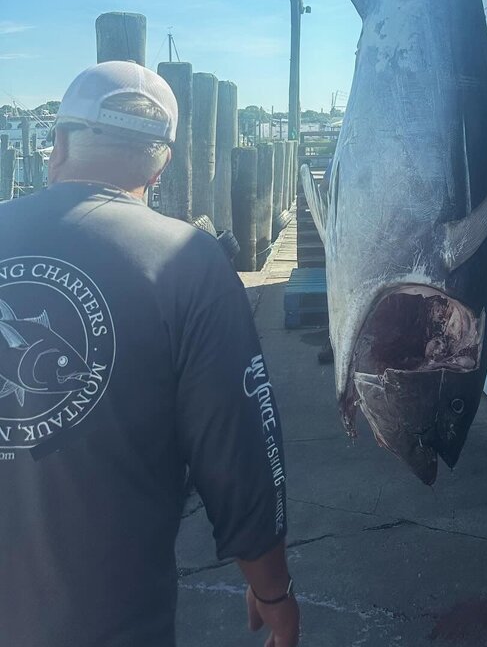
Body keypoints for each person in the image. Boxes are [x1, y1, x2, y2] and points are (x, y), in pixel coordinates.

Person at [0, 61, 300, 647]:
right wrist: (273, 591)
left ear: (58, 143)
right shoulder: (189, 262)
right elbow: (240, 451)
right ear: (161, 164)